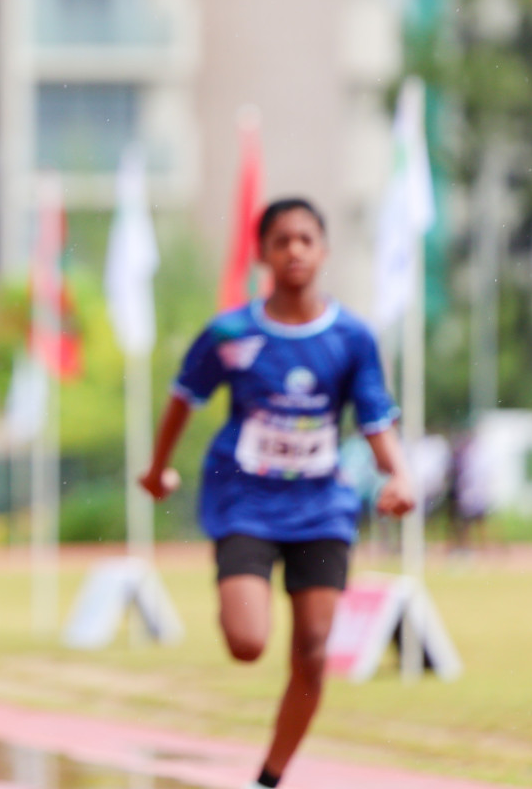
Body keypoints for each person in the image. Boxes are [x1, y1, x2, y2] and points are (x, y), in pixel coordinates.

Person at [138, 198, 416, 789]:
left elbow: (372, 418)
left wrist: (399, 473)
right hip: (244, 501)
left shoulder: (351, 336)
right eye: (282, 240)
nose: (294, 250)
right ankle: (235, 594)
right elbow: (183, 398)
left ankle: (269, 778)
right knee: (247, 643)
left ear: (324, 251)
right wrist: (158, 468)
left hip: (321, 508)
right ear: (262, 252)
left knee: (313, 649)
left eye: (306, 239)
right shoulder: (232, 332)